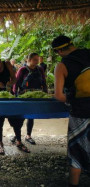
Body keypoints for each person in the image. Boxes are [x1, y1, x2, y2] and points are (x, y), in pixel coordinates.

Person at [52, 35, 90, 187]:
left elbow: (59, 95)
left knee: (77, 150)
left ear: (59, 51)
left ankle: (74, 184)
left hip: (81, 113)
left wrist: (70, 97)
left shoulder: (62, 65)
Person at [0, 55, 30, 155]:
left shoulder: (7, 64)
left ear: (1, 62)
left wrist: (10, 83)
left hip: (9, 95)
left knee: (15, 118)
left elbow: (14, 78)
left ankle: (19, 141)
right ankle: (0, 143)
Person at [13, 53, 48, 145]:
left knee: (31, 116)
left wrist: (46, 93)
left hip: (36, 96)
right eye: (35, 60)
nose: (37, 61)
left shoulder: (40, 69)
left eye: (37, 60)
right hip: (24, 96)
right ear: (29, 60)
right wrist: (14, 95)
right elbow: (16, 83)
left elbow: (44, 82)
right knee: (21, 116)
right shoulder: (22, 70)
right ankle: (17, 135)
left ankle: (28, 135)